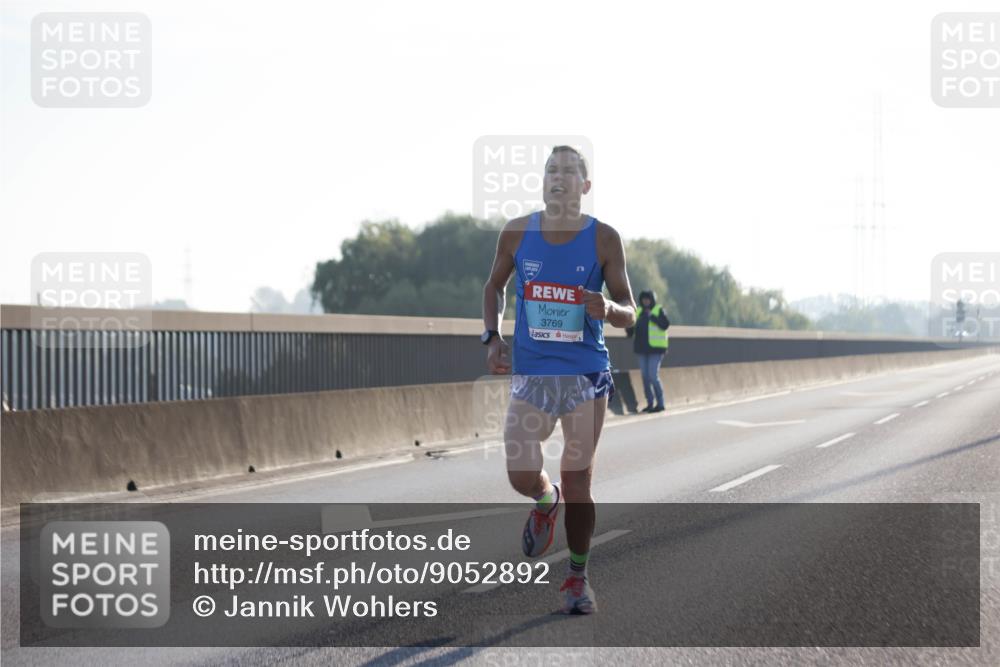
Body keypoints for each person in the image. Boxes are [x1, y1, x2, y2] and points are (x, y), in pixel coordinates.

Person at [481, 145, 636, 614]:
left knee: (579, 480)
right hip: (532, 373)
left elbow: (630, 311)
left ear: (584, 187)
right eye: (551, 170)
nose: (559, 177)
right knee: (520, 474)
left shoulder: (604, 240)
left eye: (569, 172)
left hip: (585, 375)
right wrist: (492, 338)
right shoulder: (515, 234)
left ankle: (577, 577)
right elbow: (494, 287)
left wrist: (608, 309)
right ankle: (545, 501)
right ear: (543, 180)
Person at [625, 289, 670, 413]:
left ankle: (660, 403)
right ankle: (650, 403)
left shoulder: (658, 310)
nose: (646, 301)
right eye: (644, 299)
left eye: (648, 299)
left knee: (653, 376)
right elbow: (630, 331)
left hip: (656, 349)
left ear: (652, 300)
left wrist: (652, 317)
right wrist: (628, 326)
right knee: (645, 377)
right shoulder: (638, 312)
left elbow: (665, 324)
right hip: (642, 350)